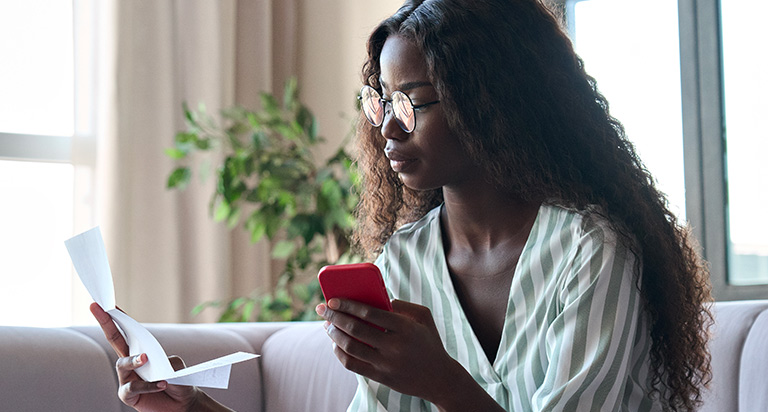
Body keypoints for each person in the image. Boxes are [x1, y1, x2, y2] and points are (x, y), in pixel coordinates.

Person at [93, 0, 712, 411]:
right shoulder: (407, 261)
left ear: (491, 102)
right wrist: (194, 406)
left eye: (411, 102)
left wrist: (439, 380)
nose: (388, 127)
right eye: (380, 101)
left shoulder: (591, 251)